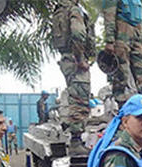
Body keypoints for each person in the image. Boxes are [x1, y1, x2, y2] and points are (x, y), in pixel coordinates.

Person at [51, 0, 95, 155]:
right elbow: (78, 34)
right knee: (80, 99)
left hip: (67, 59)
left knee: (75, 95)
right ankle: (76, 141)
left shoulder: (60, 10)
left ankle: (75, 138)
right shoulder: (73, 10)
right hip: (75, 60)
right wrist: (80, 59)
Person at [102, 0, 142, 106]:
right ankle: (122, 107)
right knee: (121, 74)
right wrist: (110, 41)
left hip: (137, 37)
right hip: (121, 36)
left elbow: (138, 21)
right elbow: (109, 17)